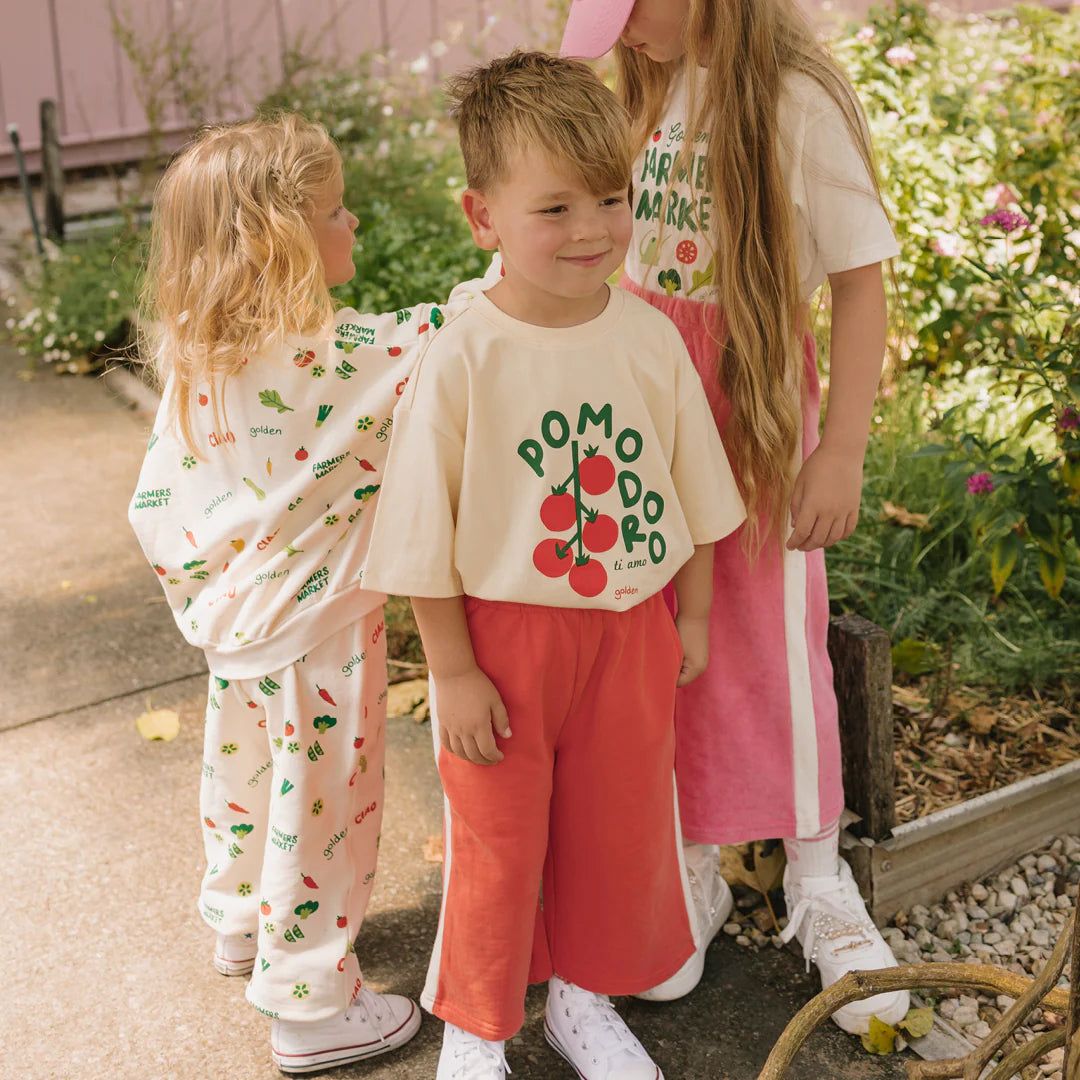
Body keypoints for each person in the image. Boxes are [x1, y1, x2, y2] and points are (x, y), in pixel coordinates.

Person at [362, 50, 746, 1080]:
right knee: (498, 840)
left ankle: (583, 1002)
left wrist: (694, 621)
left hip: (631, 633)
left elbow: (699, 500)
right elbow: (419, 532)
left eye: (613, 199)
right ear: (481, 216)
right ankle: (481, 1032)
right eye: (555, 209)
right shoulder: (465, 353)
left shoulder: (651, 339)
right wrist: (451, 669)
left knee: (614, 834)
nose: (592, 231)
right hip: (506, 640)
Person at [560, 0, 908, 1035]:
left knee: (776, 648)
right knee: (661, 641)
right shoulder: (656, 87)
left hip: (748, 410)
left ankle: (817, 876)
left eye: (632, 10)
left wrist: (838, 449)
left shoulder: (795, 99)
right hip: (648, 414)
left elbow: (858, 282)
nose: (622, 33)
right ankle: (692, 868)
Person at [128, 113, 467, 1074]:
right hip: (318, 629)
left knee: (246, 783)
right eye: (332, 210)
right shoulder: (334, 355)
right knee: (325, 810)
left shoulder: (196, 356)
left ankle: (242, 922)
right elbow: (445, 335)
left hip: (237, 629)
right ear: (279, 241)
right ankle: (312, 1004)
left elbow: (155, 496)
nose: (351, 220)